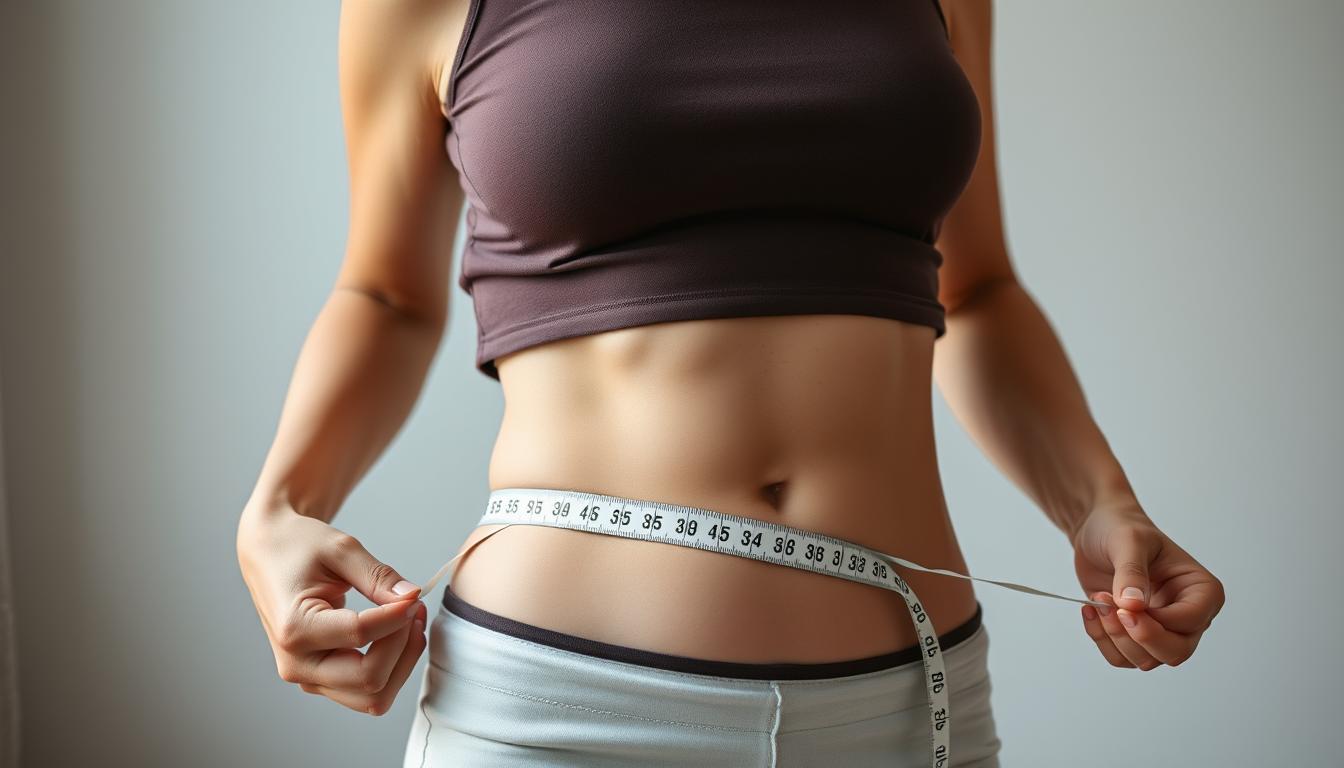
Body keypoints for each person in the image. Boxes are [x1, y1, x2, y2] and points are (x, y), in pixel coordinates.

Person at [235, 0, 1226, 765]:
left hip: (906, 708)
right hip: (561, 709)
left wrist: (1099, 503)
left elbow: (975, 292)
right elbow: (385, 295)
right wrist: (279, 507)